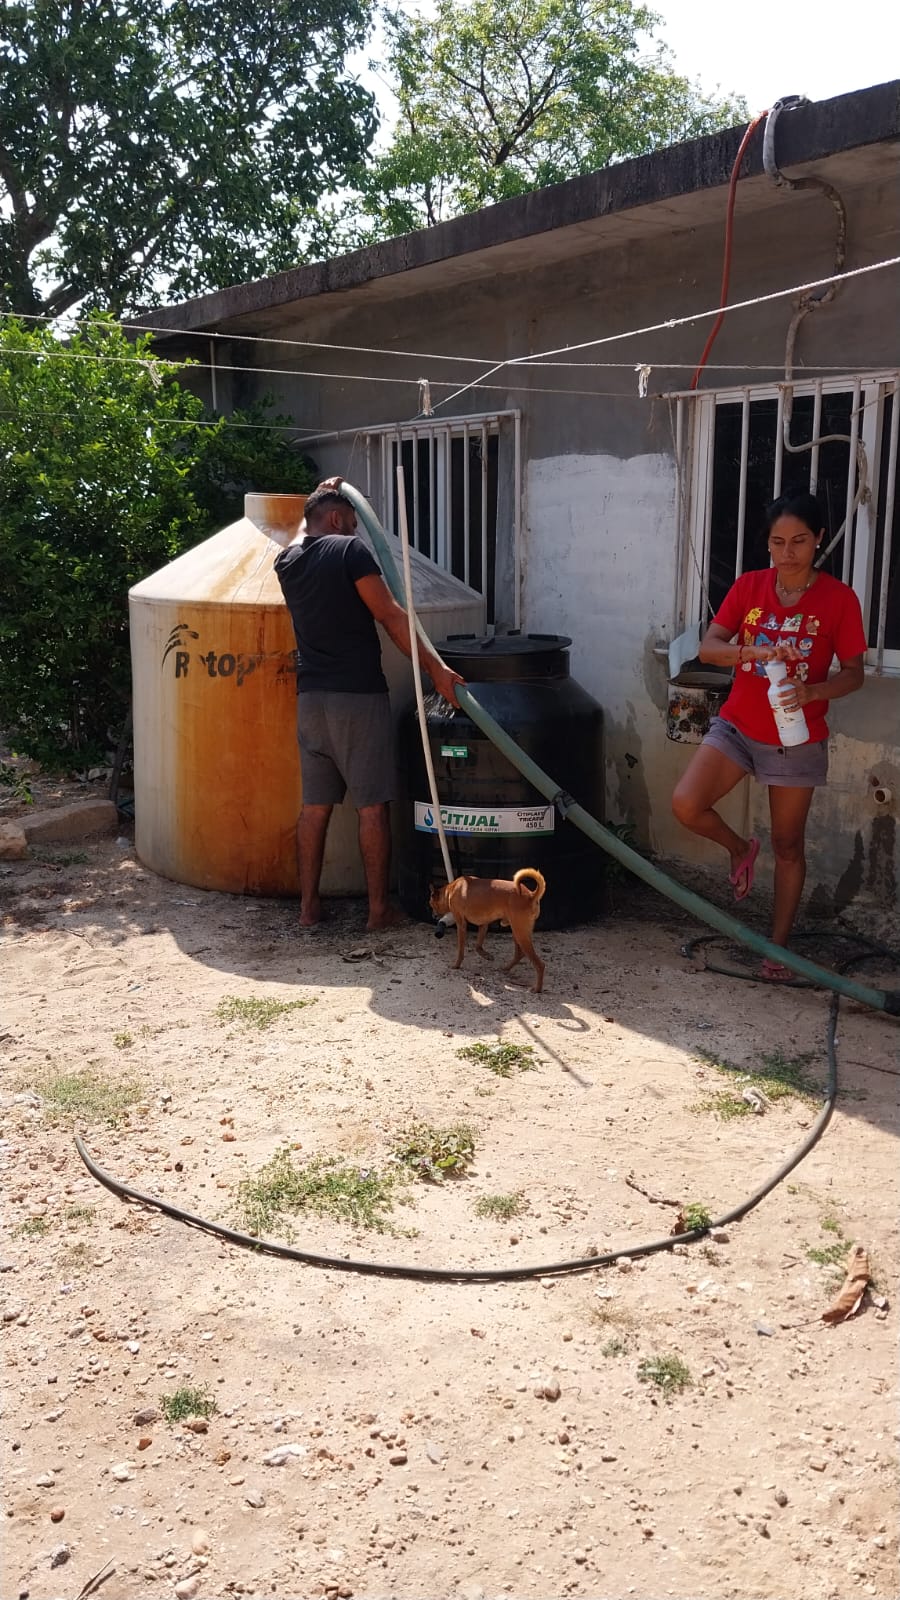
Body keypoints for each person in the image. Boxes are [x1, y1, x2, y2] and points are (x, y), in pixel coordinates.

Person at [671, 490, 866, 978]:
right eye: (778, 542)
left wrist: (813, 690)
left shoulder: (839, 600)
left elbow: (855, 672)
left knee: (787, 846)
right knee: (686, 804)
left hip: (795, 736)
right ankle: (739, 849)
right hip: (738, 724)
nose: (788, 553)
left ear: (819, 539)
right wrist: (752, 654)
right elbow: (709, 647)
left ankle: (777, 951)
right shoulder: (750, 587)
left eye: (799, 541)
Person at [274, 477, 465, 931]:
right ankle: (378, 911)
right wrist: (436, 672)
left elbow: (308, 532)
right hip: (356, 697)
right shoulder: (349, 551)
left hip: (311, 700)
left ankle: (308, 910)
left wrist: (321, 498)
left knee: (314, 807)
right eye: (355, 523)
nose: (360, 533)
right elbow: (391, 614)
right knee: (372, 807)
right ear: (338, 520)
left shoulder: (286, 561)